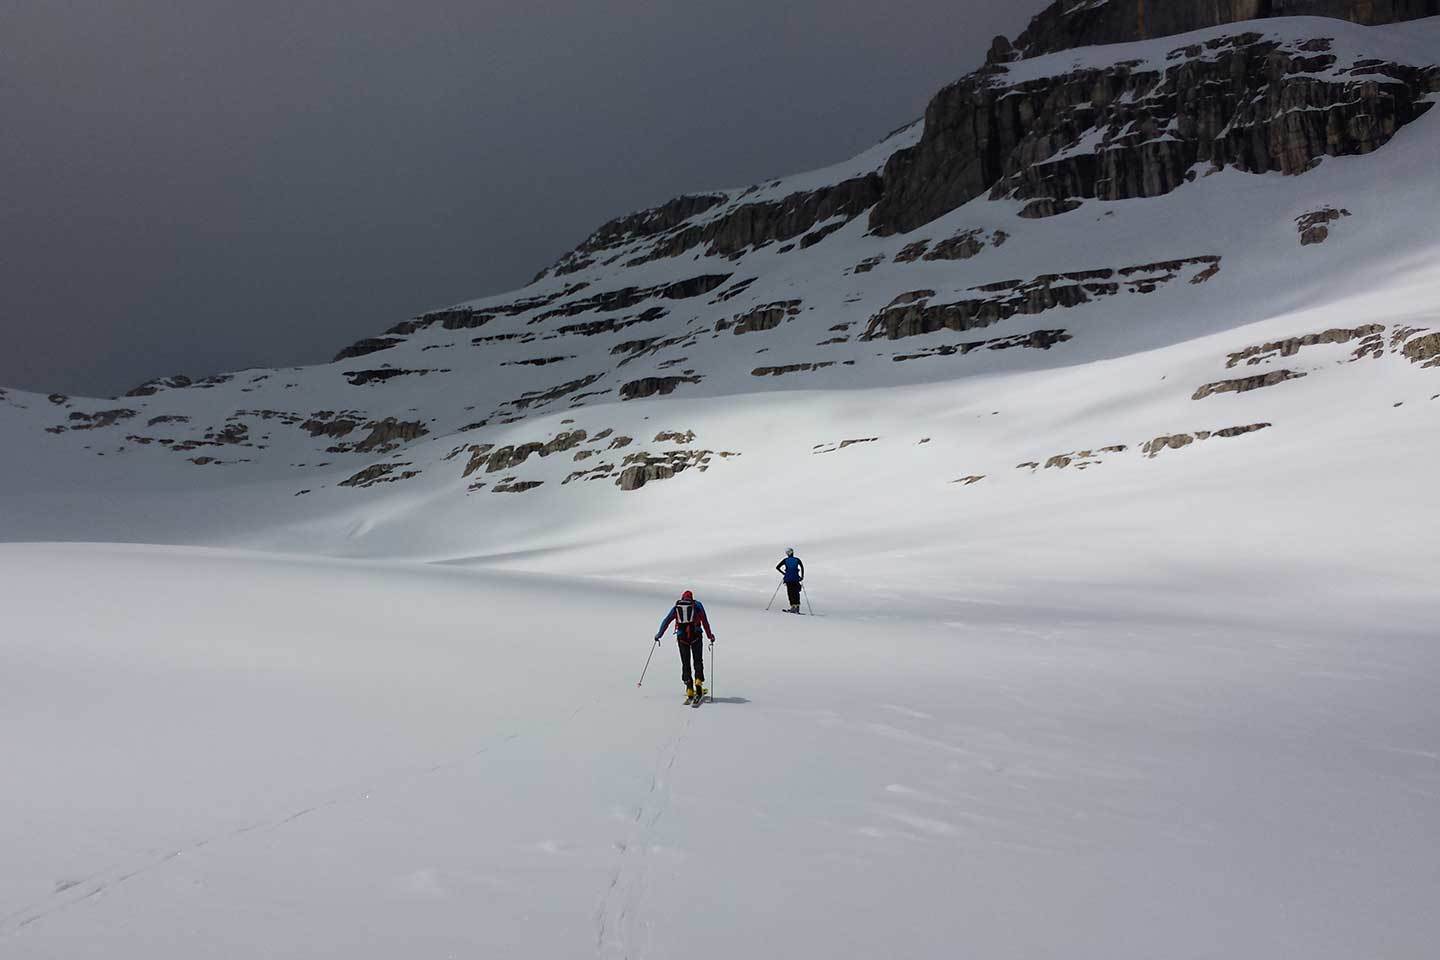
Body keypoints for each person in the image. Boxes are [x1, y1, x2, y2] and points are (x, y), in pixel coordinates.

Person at [654, 589, 715, 701]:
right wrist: (710, 636)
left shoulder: (677, 607)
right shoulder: (697, 605)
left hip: (682, 638)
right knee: (698, 660)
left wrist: (659, 635)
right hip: (696, 636)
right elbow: (705, 622)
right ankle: (698, 681)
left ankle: (689, 688)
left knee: (685, 662)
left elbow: (666, 621)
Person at [776, 547, 805, 613]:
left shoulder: (785, 560)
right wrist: (802, 576)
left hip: (788, 578)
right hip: (796, 578)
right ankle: (797, 607)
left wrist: (784, 573)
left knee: (790, 592)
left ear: (787, 553)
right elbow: (802, 567)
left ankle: (793, 607)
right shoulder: (797, 560)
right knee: (796, 592)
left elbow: (777, 567)